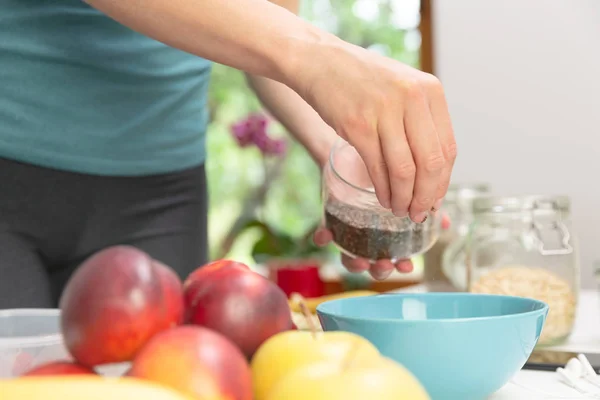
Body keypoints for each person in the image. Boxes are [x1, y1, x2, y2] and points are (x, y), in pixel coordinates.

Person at [0, 0, 456, 308]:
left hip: (161, 197)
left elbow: (266, 25)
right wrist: (322, 58)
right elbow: (290, 48)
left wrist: (339, 150)